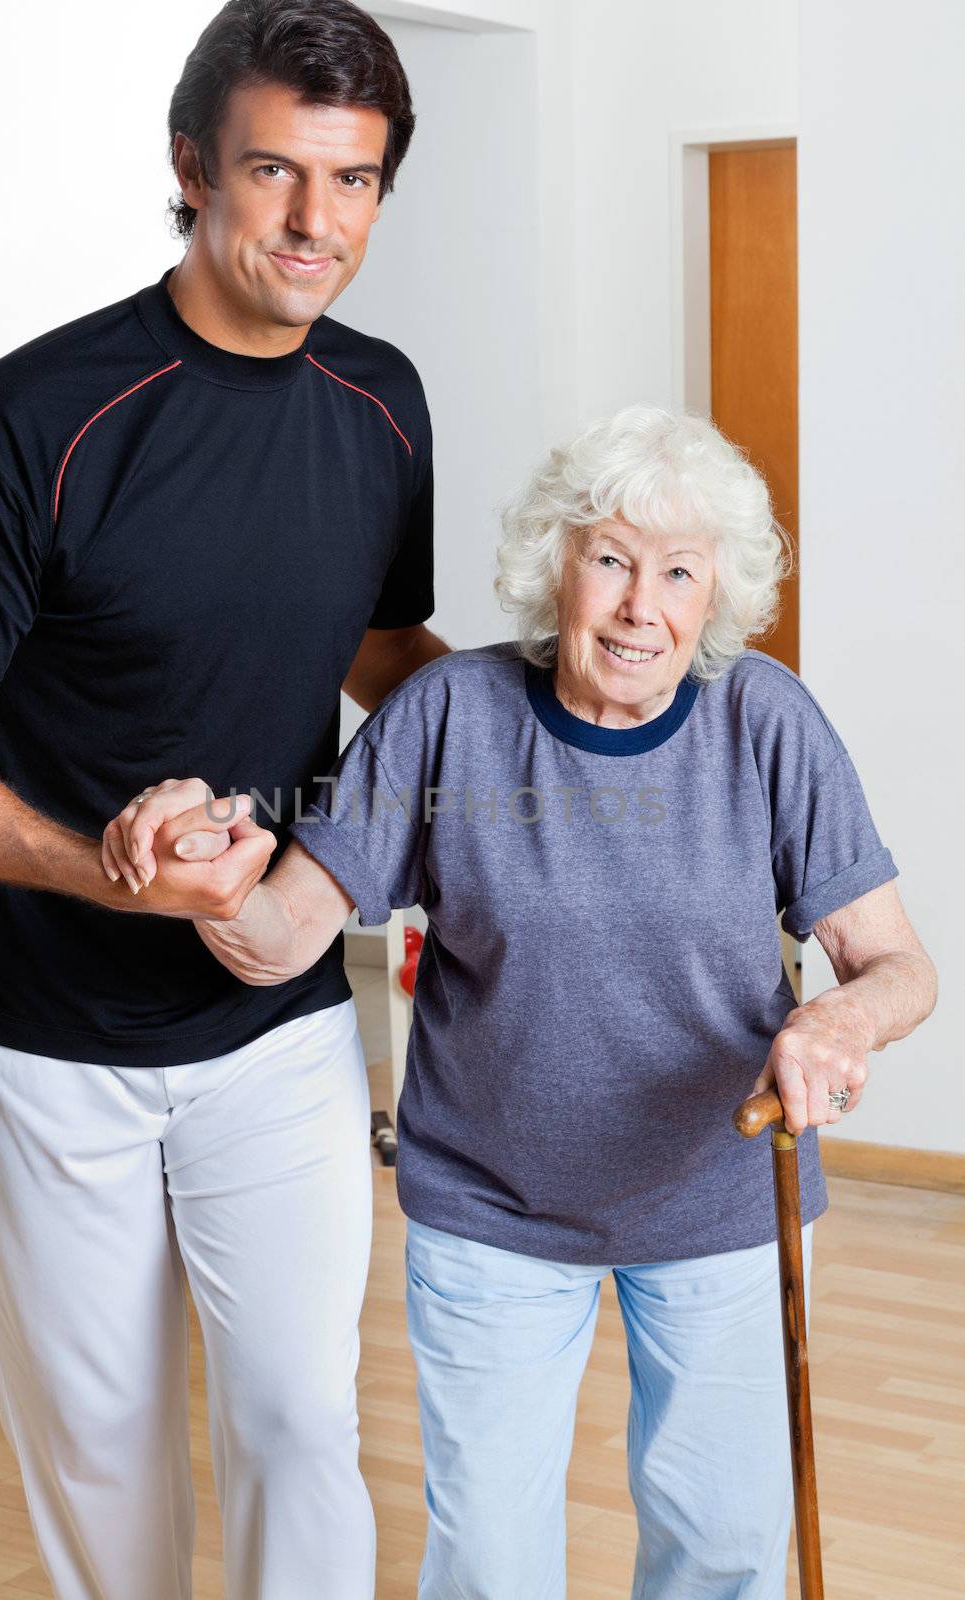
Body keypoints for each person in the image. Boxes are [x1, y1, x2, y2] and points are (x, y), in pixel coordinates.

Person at [112, 404, 938, 1600]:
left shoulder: (764, 720)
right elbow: (280, 934)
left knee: (719, 1547)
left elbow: (898, 967)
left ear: (718, 595)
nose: (636, 605)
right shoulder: (452, 717)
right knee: (488, 1564)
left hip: (720, 1199)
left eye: (675, 572)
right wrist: (206, 880)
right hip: (491, 1210)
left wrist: (836, 1020)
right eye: (605, 558)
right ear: (553, 565)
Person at [0, 3, 451, 1597]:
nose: (310, 222)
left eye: (350, 182)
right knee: (106, 1465)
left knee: (297, 1429)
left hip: (272, 1020)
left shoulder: (382, 401)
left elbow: (378, 651)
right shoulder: (29, 417)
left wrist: (574, 723)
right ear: (191, 166)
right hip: (39, 1029)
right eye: (273, 170)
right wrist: (111, 870)